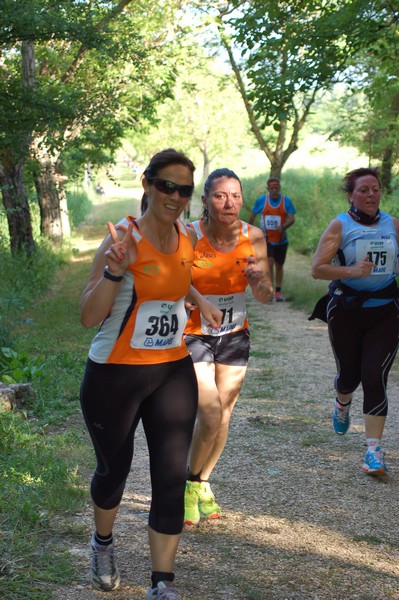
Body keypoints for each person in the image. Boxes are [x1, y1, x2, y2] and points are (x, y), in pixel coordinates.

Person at [79, 148, 222, 599]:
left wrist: (199, 300)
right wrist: (114, 272)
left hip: (170, 370)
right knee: (113, 470)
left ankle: (162, 583)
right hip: (114, 375)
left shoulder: (184, 235)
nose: (176, 196)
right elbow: (87, 316)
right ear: (146, 183)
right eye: (167, 186)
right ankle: (103, 543)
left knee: (169, 474)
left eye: (184, 190)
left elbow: (175, 276)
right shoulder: (123, 238)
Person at [183, 168, 274, 526]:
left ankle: (202, 482)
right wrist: (194, 299)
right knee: (209, 411)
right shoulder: (188, 234)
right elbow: (173, 281)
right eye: (220, 196)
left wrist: (259, 280)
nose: (229, 203)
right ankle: (189, 486)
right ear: (205, 201)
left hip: (235, 333)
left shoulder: (254, 237)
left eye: (235, 196)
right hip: (193, 334)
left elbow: (265, 298)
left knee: (224, 415)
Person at [310, 167, 399, 477]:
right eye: (363, 190)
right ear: (350, 195)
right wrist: (352, 272)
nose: (371, 194)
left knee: (374, 374)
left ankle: (373, 450)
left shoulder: (394, 225)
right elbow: (317, 269)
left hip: (385, 311)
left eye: (375, 189)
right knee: (349, 375)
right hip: (346, 311)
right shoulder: (340, 225)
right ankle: (342, 400)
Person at [248, 177, 296, 301]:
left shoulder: (286, 201)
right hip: (266, 239)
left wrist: (284, 226)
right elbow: (252, 217)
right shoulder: (262, 201)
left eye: (276, 188)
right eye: (272, 188)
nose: (274, 190)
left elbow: (292, 218)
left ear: (279, 188)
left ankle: (278, 291)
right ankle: (270, 291)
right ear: (268, 189)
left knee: (279, 266)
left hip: (281, 239)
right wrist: (251, 232)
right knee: (269, 264)